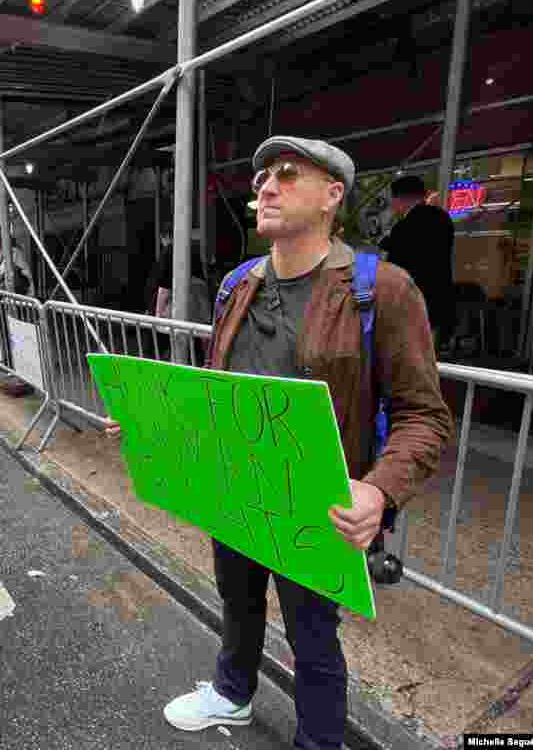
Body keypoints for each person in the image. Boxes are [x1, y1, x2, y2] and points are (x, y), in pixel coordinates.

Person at [111, 136, 453, 749]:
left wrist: (379, 491)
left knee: (313, 637)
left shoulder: (383, 289)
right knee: (236, 604)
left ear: (332, 196)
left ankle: (319, 740)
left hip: (316, 506)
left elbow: (425, 417)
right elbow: (216, 397)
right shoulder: (236, 285)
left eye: (287, 175)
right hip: (235, 492)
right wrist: (151, 425)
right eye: (262, 175)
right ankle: (233, 693)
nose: (265, 186)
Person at [380, 175, 456, 348]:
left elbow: (393, 266)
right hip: (439, 298)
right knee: (429, 356)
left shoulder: (406, 225)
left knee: (408, 354)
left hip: (411, 301)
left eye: (393, 200)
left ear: (400, 199)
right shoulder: (443, 218)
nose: (392, 206)